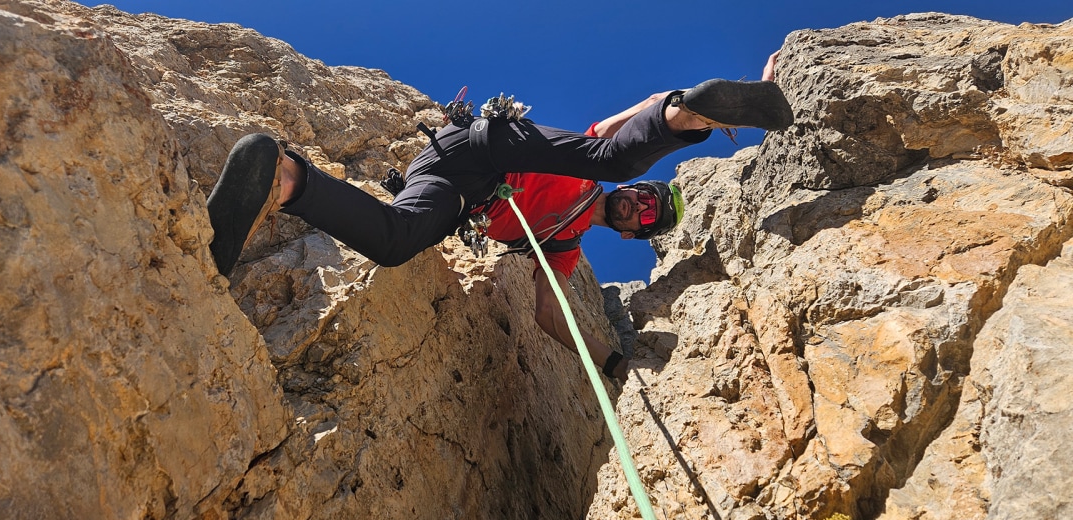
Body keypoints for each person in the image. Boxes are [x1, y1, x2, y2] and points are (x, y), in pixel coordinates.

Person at [206, 53, 791, 381]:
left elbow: (547, 314)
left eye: (648, 215)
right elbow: (616, 129)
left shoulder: (566, 244)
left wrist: (611, 359)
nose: (641, 204)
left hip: (449, 186)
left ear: (637, 231)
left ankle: (281, 176)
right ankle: (697, 111)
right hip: (492, 144)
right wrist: (679, 104)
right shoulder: (588, 172)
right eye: (649, 196)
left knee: (395, 239)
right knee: (609, 157)